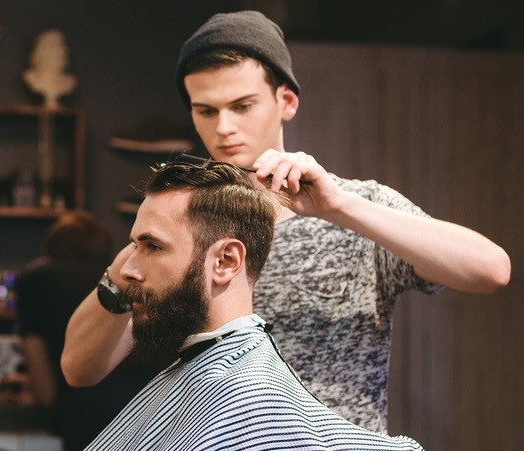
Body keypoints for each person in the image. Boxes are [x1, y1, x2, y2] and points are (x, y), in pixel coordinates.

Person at [62, 10, 511, 432]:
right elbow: (79, 369)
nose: (223, 128)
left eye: (242, 105)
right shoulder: (179, 226)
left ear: (286, 101)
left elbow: (490, 270)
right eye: (206, 110)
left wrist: (341, 209)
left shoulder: (357, 208)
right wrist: (147, 249)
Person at [86, 160, 423, 450]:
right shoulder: (202, 370)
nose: (127, 271)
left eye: (153, 247)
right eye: (135, 246)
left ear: (226, 261)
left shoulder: (250, 403)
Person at [15, 210, 168, 451]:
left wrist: (47, 407)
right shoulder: (128, 276)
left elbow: (38, 362)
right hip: (148, 410)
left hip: (83, 410)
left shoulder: (36, 281)